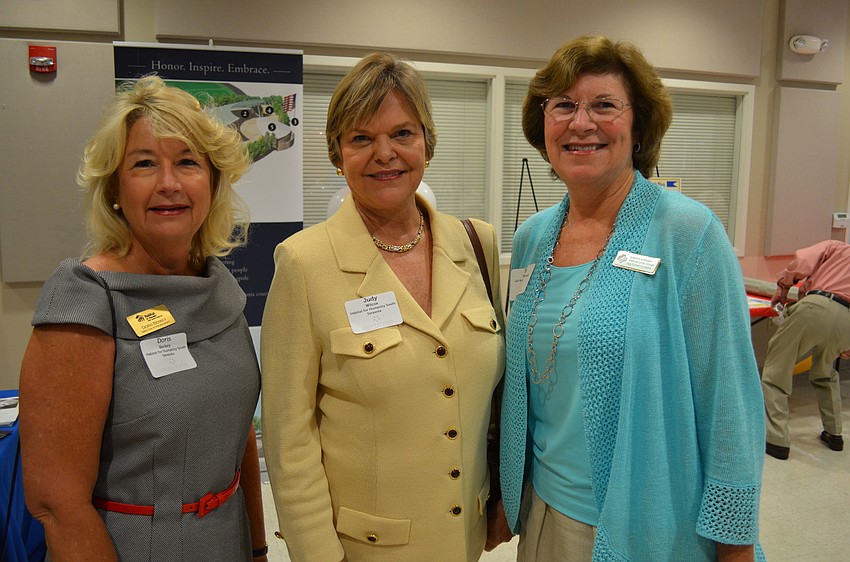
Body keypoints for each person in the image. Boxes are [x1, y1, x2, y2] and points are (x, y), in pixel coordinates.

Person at [499, 36, 766, 561]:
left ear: (639, 126)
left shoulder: (687, 231)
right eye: (563, 106)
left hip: (647, 525)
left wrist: (736, 542)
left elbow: (730, 401)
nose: (581, 123)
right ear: (542, 125)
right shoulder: (531, 237)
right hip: (542, 516)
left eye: (604, 105)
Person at [260, 52, 506, 562]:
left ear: (427, 142)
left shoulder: (476, 244)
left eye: (402, 134)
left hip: (466, 542)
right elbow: (290, 439)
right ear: (337, 153)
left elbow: (495, 397)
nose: (384, 153)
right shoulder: (304, 263)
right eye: (361, 138)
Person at [19, 76, 268, 561]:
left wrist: (257, 549)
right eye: (145, 164)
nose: (169, 183)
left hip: (226, 539)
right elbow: (57, 504)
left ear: (213, 182)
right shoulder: (86, 299)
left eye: (187, 162)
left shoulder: (221, 291)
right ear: (115, 186)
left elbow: (238, 441)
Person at [762, 239, 850, 460]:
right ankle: (834, 433)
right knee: (824, 373)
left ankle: (777, 440)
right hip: (847, 321)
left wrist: (783, 287)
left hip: (818, 306)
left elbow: (801, 262)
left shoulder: (837, 247)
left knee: (775, 372)